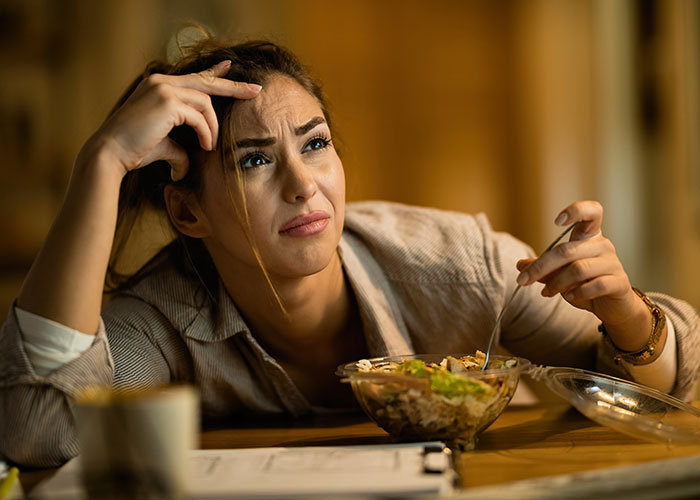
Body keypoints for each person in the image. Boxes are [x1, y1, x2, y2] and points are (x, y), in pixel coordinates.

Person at [1, 36, 699, 468]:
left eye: (315, 144)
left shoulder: (457, 265)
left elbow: (657, 391)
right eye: (253, 162)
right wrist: (103, 162)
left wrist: (627, 313)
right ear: (187, 211)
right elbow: (36, 431)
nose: (305, 186)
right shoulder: (161, 318)